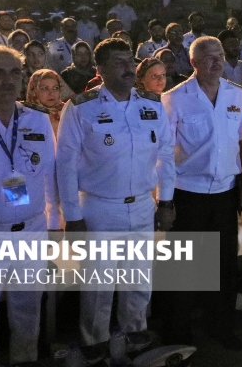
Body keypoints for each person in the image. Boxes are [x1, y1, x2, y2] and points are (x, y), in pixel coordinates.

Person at [56, 39, 175, 360]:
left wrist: (166, 201)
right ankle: (94, 346)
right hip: (99, 208)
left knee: (138, 282)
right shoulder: (81, 107)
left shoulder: (152, 104)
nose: (128, 68)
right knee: (98, 287)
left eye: (130, 62)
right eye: (119, 63)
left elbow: (166, 155)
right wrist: (72, 216)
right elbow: (65, 165)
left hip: (143, 206)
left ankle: (134, 339)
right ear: (101, 69)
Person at [0, 46, 60, 365]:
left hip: (32, 231)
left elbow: (50, 175)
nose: (8, 81)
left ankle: (25, 360)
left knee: (28, 314)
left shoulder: (38, 119)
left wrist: (55, 227)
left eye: (14, 72)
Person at [161, 36, 242, 350]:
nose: (217, 62)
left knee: (224, 266)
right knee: (184, 268)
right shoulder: (175, 98)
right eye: (209, 57)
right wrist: (166, 200)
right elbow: (164, 154)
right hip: (188, 194)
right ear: (193, 63)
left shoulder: (237, 95)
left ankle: (222, 327)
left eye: (220, 56)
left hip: (225, 193)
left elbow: (241, 143)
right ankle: (178, 335)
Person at [26, 69, 65, 135]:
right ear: (34, 91)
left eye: (55, 88)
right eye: (45, 88)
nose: (51, 93)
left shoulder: (68, 112)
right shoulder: (25, 117)